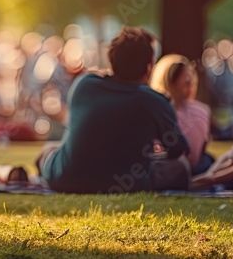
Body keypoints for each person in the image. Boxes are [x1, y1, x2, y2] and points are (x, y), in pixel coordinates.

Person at [37, 27, 190, 193]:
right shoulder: (155, 101)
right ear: (149, 67)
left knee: (49, 151)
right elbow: (178, 150)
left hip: (66, 180)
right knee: (181, 167)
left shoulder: (83, 85)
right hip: (126, 184)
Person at [151, 55, 213, 175]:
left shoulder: (202, 110)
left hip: (193, 167)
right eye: (181, 76)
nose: (188, 79)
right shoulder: (160, 110)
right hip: (172, 167)